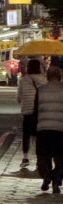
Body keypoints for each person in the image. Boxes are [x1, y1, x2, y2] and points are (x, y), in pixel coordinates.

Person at [35, 65, 63, 194]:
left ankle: (47, 177)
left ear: (48, 76)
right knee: (60, 157)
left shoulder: (41, 90)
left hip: (43, 128)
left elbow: (35, 111)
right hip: (60, 129)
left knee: (44, 156)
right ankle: (56, 180)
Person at [16, 58, 46, 168]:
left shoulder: (23, 80)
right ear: (39, 67)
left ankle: (25, 157)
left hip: (27, 111)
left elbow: (19, 97)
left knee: (26, 135)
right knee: (39, 136)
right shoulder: (44, 79)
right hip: (40, 111)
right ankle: (39, 159)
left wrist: (22, 100)